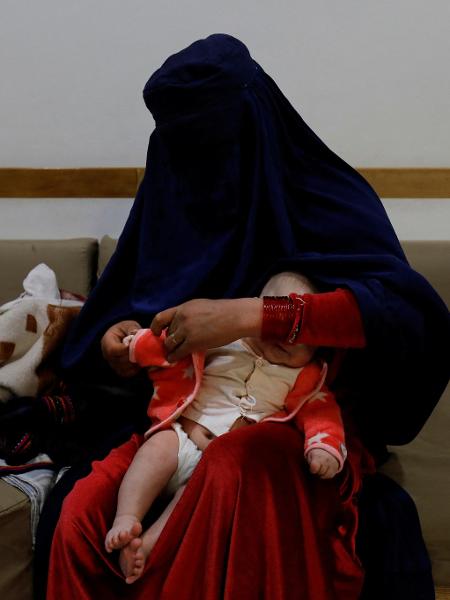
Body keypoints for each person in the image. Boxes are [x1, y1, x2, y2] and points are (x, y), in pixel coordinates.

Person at [44, 34, 449, 600]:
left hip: (286, 425)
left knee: (237, 465)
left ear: (257, 125)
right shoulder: (171, 197)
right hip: (173, 423)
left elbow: (404, 321)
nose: (203, 163)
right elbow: (115, 331)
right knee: (76, 516)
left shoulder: (324, 196)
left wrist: (252, 316)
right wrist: (116, 353)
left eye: (215, 142)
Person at [104, 272, 349, 584]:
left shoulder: (306, 377)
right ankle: (126, 517)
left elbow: (322, 414)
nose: (285, 337)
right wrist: (137, 345)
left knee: (191, 497)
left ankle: (145, 547)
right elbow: (170, 347)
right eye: (277, 321)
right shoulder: (224, 340)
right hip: (181, 437)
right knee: (156, 448)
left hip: (213, 468)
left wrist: (322, 448)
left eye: (298, 331)